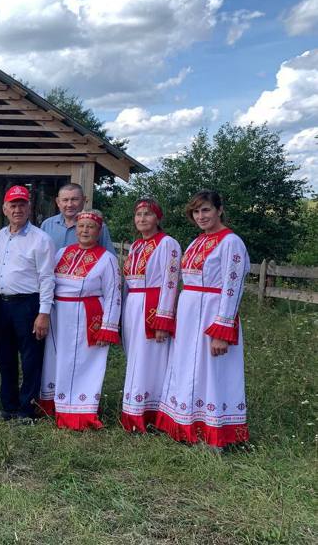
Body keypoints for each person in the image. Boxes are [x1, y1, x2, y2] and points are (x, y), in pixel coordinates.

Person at [156, 190, 251, 448]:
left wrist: (222, 330)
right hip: (189, 315)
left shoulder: (231, 242)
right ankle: (189, 426)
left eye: (206, 209)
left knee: (212, 371)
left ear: (219, 210)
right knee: (188, 368)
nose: (201, 216)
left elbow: (233, 288)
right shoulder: (197, 241)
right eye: (196, 212)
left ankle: (213, 435)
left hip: (212, 313)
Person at [39, 210, 121, 430]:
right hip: (58, 316)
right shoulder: (62, 252)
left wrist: (108, 327)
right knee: (57, 359)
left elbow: (114, 294)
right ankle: (55, 403)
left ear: (99, 231)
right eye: (81, 226)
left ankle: (80, 410)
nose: (85, 230)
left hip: (87, 315)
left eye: (90, 227)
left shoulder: (108, 259)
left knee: (84, 362)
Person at [0, 185, 55, 422]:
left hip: (28, 304)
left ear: (29, 207)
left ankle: (27, 408)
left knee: (30, 358)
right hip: (3, 305)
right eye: (13, 205)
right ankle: (8, 405)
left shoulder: (41, 239)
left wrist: (44, 313)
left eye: (21, 204)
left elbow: (47, 278)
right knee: (4, 357)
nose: (17, 209)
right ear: (4, 208)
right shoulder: (0, 236)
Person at [120, 199, 181, 433]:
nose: (142, 219)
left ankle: (152, 412)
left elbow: (171, 281)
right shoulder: (135, 246)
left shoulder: (168, 244)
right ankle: (134, 408)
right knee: (135, 357)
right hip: (133, 304)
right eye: (138, 215)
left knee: (152, 359)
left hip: (153, 306)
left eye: (147, 214)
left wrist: (163, 318)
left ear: (157, 218)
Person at [41, 183, 116, 255]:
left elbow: (110, 258)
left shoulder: (98, 226)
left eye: (74, 199)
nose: (69, 204)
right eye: (65, 200)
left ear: (84, 200)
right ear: (58, 202)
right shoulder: (47, 225)